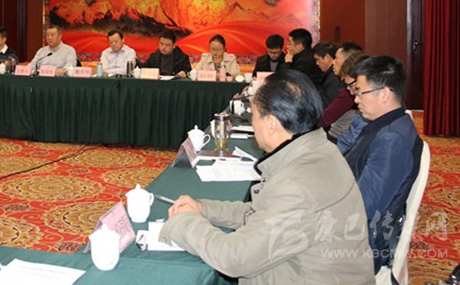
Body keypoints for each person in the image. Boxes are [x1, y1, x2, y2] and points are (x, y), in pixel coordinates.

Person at [159, 69, 373, 284]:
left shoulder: (296, 185)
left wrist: (184, 222)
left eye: (253, 116)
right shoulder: (320, 151)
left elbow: (235, 259)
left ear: (271, 123)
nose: (253, 124)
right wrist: (204, 209)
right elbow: (262, 213)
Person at [338, 55, 422, 273]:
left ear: (384, 94)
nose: (356, 100)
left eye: (360, 92)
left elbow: (363, 207)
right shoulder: (385, 124)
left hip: (359, 245)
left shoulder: (392, 139)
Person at [319, 42, 365, 138]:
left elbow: (326, 117)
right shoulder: (342, 83)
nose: (333, 62)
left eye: (336, 58)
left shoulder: (348, 90)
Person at [312, 40, 340, 108]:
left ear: (327, 57)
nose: (317, 63)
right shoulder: (330, 76)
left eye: (318, 59)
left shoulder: (334, 79)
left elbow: (327, 105)